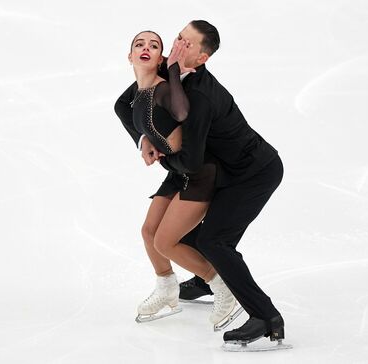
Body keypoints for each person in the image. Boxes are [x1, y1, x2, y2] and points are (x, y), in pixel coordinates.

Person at [117, 21, 289, 349]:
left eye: (187, 45)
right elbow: (127, 103)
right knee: (185, 234)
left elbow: (192, 162)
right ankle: (202, 280)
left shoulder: (198, 96)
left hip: (251, 172)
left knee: (215, 242)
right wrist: (143, 138)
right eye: (178, 38)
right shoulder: (167, 75)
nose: (176, 47)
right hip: (219, 167)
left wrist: (162, 155)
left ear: (201, 59)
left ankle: (266, 317)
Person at [114, 31, 239, 327]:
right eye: (139, 44)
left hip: (199, 173)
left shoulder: (162, 89)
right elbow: (120, 107)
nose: (146, 48)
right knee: (148, 232)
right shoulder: (136, 94)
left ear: (161, 57)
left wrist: (172, 71)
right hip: (177, 171)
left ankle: (224, 288)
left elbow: (181, 111)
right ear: (129, 56)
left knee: (165, 242)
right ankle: (167, 288)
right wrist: (143, 139)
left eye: (154, 45)